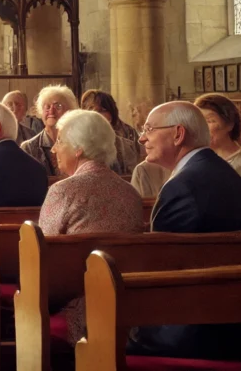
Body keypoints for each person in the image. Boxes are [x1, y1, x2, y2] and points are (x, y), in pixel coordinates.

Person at [129, 101, 241, 361]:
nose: (142, 137)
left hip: (196, 331)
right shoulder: (218, 171)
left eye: (149, 129)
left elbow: (160, 274)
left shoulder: (183, 187)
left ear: (178, 134)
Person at [38, 110, 144, 345]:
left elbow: (42, 252)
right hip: (127, 301)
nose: (54, 149)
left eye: (60, 141)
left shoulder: (63, 190)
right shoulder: (130, 192)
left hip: (79, 305)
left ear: (79, 150)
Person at [23, 85, 139, 177]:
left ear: (71, 110)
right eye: (47, 107)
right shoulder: (28, 148)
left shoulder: (90, 141)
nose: (51, 111)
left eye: (57, 106)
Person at [194, 93, 241, 185]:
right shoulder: (194, 158)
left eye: (209, 121)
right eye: (198, 121)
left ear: (230, 124)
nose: (202, 127)